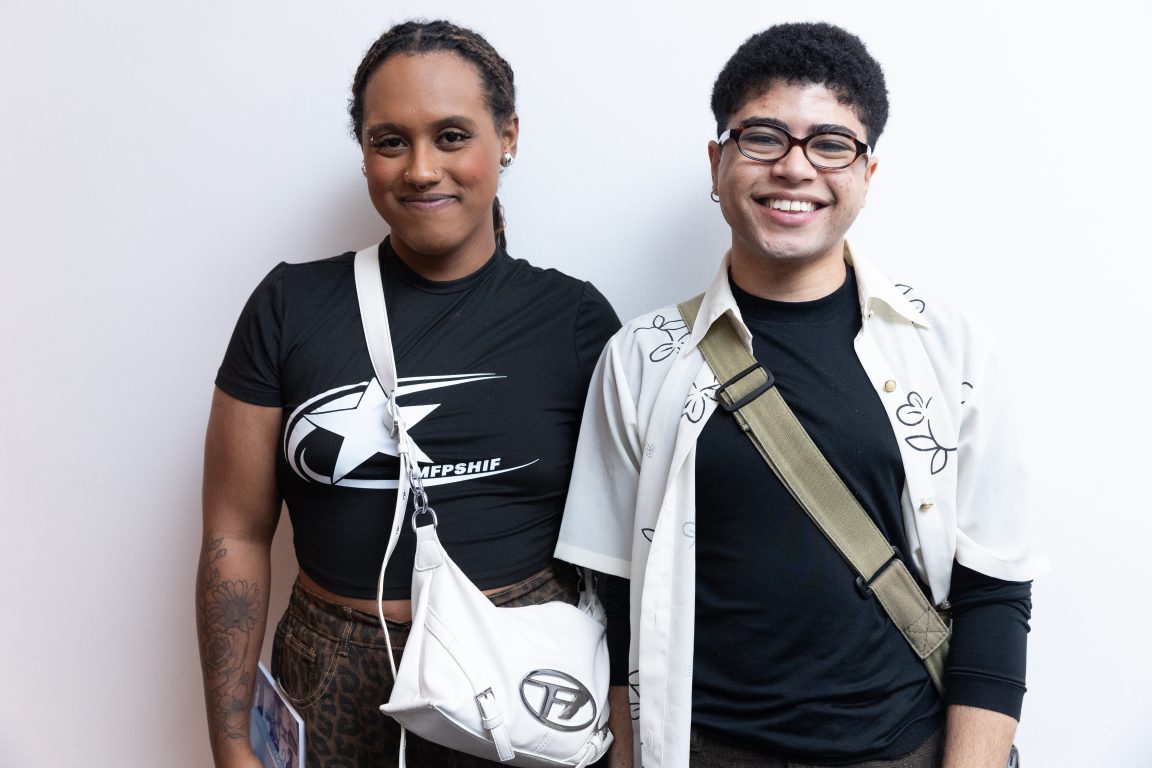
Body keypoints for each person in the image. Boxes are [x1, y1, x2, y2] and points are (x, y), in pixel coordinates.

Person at [557, 22, 1043, 768]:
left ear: (867, 174)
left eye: (831, 144)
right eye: (762, 138)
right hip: (699, 750)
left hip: (903, 749)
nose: (794, 167)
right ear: (717, 162)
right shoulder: (640, 359)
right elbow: (614, 602)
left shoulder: (947, 350)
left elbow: (995, 595)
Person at [196, 19, 620, 768]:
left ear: (507, 136)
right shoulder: (290, 305)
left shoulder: (574, 320)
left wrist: (622, 729)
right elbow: (236, 531)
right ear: (365, 152)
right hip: (330, 674)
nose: (422, 169)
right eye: (390, 141)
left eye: (452, 136)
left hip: (517, 680)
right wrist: (231, 739)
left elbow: (616, 551)